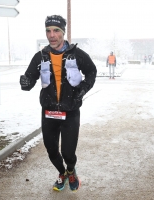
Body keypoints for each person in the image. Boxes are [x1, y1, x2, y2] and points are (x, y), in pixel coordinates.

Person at [19, 15, 97, 192]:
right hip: (49, 111)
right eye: (48, 31)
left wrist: (82, 90)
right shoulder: (40, 57)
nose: (51, 35)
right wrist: (25, 82)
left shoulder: (77, 55)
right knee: (51, 150)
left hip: (70, 111)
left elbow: (91, 72)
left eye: (56, 31)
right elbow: (29, 79)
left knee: (68, 152)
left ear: (63, 32)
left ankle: (71, 169)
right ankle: (62, 172)